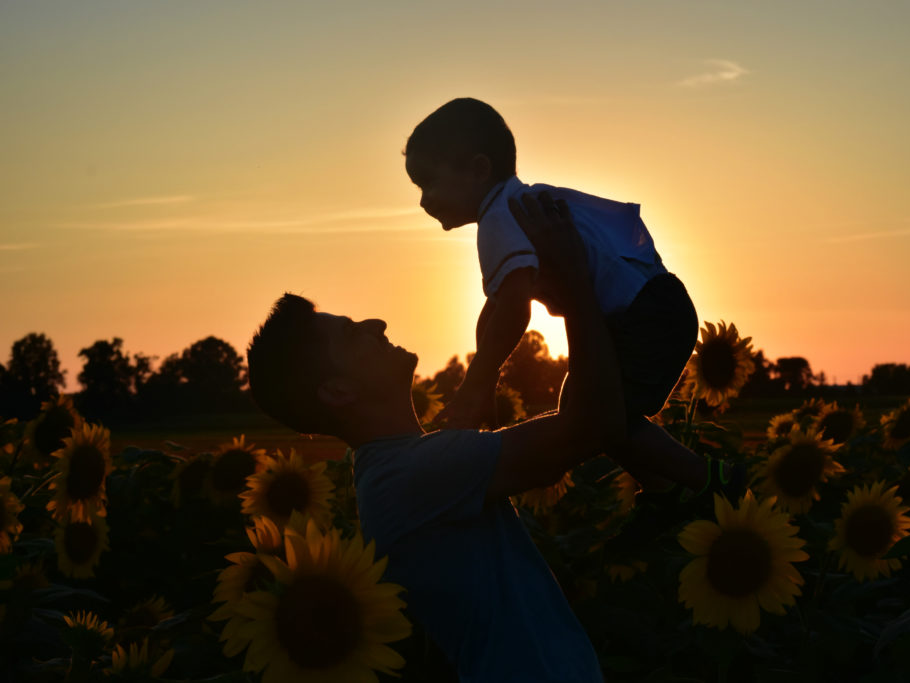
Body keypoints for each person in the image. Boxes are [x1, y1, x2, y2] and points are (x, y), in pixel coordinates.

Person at [247, 193, 622, 682]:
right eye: (351, 332)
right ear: (338, 390)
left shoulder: (397, 473)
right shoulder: (413, 474)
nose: (375, 323)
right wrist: (575, 284)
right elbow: (593, 425)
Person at [404, 96, 742, 495]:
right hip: (654, 307)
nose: (424, 200)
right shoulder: (518, 206)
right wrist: (483, 375)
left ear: (479, 169)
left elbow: (514, 310)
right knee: (593, 415)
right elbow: (497, 306)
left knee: (593, 419)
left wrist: (477, 383)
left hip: (644, 317)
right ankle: (666, 492)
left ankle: (708, 481)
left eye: (430, 182)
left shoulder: (500, 220)